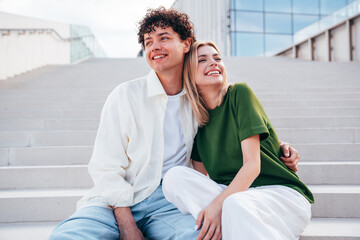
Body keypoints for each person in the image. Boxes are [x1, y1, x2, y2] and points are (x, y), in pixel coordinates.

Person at [49, 8, 301, 240]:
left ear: (186, 44)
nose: (154, 47)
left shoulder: (198, 103)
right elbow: (106, 168)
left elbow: (230, 132)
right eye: (148, 42)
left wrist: (278, 146)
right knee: (69, 236)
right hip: (116, 202)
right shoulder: (125, 95)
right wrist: (127, 224)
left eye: (163, 38)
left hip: (169, 202)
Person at [162, 41, 314, 240]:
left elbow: (252, 166)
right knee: (174, 177)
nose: (214, 63)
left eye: (217, 58)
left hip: (279, 196)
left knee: (234, 204)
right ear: (188, 73)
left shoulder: (239, 94)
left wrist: (217, 206)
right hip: (235, 199)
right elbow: (199, 179)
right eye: (202, 60)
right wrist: (216, 205)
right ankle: (230, 227)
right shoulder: (195, 121)